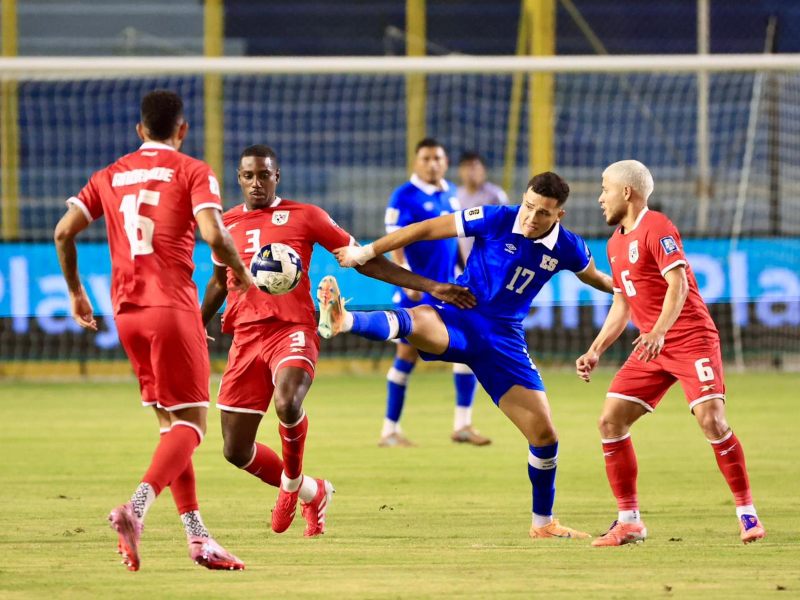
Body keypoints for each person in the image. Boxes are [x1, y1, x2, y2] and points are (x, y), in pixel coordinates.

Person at [318, 172, 614, 538]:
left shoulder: (569, 246)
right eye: (529, 206)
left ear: (559, 215)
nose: (531, 217)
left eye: (543, 213)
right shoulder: (496, 217)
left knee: (544, 435)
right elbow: (426, 229)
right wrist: (365, 251)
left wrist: (629, 288)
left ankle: (543, 524)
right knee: (416, 321)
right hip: (461, 313)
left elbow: (595, 277)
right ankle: (345, 319)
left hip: (504, 341)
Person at [200, 144, 476, 537]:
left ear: (277, 176)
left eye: (264, 175)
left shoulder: (306, 215)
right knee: (235, 450)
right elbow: (218, 282)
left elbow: (364, 258)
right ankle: (313, 492)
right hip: (245, 337)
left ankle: (290, 487)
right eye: (248, 176)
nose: (256, 182)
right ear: (239, 179)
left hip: (293, 329)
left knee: (287, 402)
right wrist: (197, 324)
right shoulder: (225, 224)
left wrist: (431, 286)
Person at [53, 90, 252, 571]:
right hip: (172, 307)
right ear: (182, 130)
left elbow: (63, 231)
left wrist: (76, 293)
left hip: (126, 313)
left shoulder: (109, 174)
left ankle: (198, 537)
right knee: (192, 426)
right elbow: (213, 233)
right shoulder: (192, 170)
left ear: (140, 130)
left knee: (171, 427)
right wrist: (240, 271)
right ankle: (135, 510)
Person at [575, 160, 766, 547]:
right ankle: (629, 522)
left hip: (690, 338)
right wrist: (595, 350)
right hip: (652, 346)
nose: (600, 198)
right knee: (610, 421)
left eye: (605, 189)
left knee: (712, 420)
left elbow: (678, 284)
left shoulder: (657, 227)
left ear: (626, 192)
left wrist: (659, 331)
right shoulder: (614, 244)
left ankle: (747, 514)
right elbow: (622, 304)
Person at [381, 138, 488, 448]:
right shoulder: (403, 196)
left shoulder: (451, 192)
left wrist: (466, 274)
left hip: (447, 289)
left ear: (445, 162)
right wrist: (405, 281)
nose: (432, 164)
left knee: (468, 350)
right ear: (416, 162)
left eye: (438, 158)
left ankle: (463, 425)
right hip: (416, 289)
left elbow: (454, 240)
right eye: (426, 158)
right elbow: (396, 241)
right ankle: (389, 430)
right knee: (406, 356)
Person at [456, 151, 510, 258]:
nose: (470, 172)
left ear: (483, 170)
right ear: (460, 171)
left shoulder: (495, 195)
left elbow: (507, 226)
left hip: (490, 258)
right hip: (463, 259)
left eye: (474, 167)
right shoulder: (456, 195)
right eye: (466, 167)